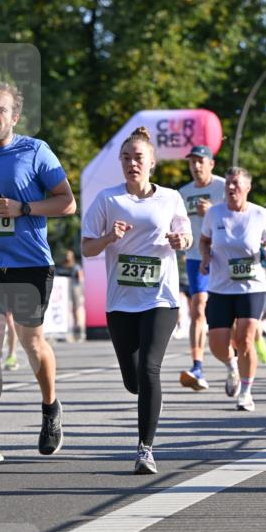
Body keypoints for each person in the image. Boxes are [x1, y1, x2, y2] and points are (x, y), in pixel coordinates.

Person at [0, 81, 76, 467]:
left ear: (15, 117)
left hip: (29, 263)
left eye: (1, 110)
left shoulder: (36, 151)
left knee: (32, 344)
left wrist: (24, 209)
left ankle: (50, 406)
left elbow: (67, 203)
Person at [82, 126, 192, 474]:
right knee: (134, 380)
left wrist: (180, 241)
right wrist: (107, 238)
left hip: (161, 297)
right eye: (126, 158)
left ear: (152, 163)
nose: (132, 163)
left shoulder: (171, 197)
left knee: (149, 368)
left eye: (138, 158)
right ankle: (143, 395)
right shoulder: (108, 200)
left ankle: (145, 449)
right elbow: (86, 248)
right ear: (120, 162)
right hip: (121, 302)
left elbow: (186, 235)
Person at [199, 166, 266, 413]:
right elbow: (204, 240)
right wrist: (204, 258)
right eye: (228, 184)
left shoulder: (259, 214)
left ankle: (246, 392)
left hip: (251, 285)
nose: (231, 188)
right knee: (216, 344)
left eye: (236, 184)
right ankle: (232, 366)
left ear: (247, 187)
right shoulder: (214, 214)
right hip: (221, 286)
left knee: (245, 339)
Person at [177, 145, 226, 391]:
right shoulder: (182, 193)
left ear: (211, 164)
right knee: (198, 309)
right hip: (196, 257)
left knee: (232, 317)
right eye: (192, 162)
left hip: (225, 256)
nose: (196, 167)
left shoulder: (224, 187)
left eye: (200, 162)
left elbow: (241, 219)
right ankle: (197, 366)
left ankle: (242, 351)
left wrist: (214, 213)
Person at [56, 249, 86, 341]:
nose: (67, 257)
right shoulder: (61, 267)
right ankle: (69, 331)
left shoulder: (76, 267)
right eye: (66, 256)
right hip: (64, 291)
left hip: (75, 289)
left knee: (76, 309)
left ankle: (79, 329)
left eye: (69, 255)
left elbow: (81, 279)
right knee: (67, 310)